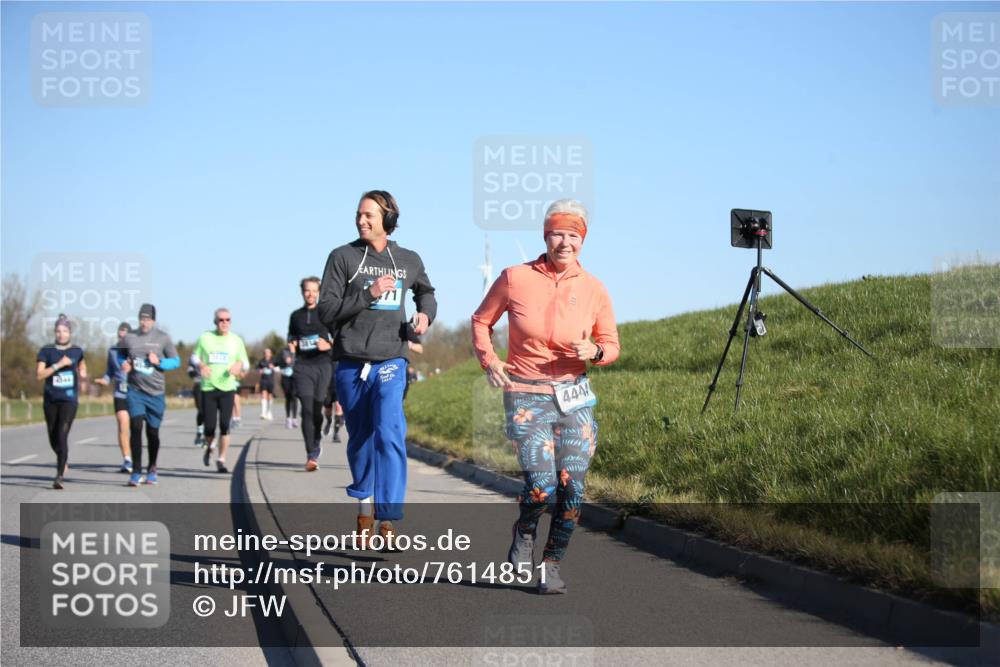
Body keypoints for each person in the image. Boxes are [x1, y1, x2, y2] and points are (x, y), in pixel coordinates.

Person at [471, 199, 619, 594]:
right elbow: (481, 321)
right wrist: (491, 361)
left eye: (573, 235)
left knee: (573, 488)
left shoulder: (595, 289)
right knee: (541, 486)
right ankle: (525, 529)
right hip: (526, 394)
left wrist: (597, 353)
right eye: (558, 234)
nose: (565, 242)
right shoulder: (514, 277)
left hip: (575, 397)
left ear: (582, 241)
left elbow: (611, 343)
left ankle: (550, 566)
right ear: (546, 235)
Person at [318, 190, 436, 547]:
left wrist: (425, 315)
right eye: (358, 214)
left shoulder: (408, 259)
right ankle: (365, 509)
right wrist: (367, 294)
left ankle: (387, 516)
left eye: (369, 214)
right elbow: (326, 311)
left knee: (389, 431)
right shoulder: (342, 257)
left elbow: (426, 292)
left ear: (388, 217)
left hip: (391, 357)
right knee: (361, 440)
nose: (361, 220)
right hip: (351, 360)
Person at [121, 303, 180, 486]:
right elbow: (122, 357)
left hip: (156, 393)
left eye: (147, 319)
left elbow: (176, 362)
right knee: (136, 426)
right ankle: (136, 472)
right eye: (141, 318)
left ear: (153, 320)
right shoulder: (130, 338)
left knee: (152, 433)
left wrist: (159, 361)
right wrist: (125, 364)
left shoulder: (163, 338)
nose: (144, 322)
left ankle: (152, 467)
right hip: (135, 390)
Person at [192, 308, 249, 473]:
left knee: (225, 425)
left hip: (228, 387)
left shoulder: (236, 340)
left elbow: (245, 363)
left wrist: (239, 365)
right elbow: (194, 356)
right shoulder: (205, 338)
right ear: (215, 322)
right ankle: (209, 447)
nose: (224, 323)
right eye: (221, 320)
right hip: (209, 387)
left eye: (227, 320)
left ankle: (221, 459)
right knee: (209, 427)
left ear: (231, 322)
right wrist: (201, 365)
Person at [288, 277, 335, 470]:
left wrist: (328, 345)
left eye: (314, 290)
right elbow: (291, 337)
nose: (310, 294)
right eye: (307, 290)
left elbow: (340, 339)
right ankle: (311, 454)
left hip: (323, 366)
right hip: (303, 367)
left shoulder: (326, 314)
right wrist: (291, 345)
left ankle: (317, 438)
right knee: (306, 410)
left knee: (317, 410)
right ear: (302, 292)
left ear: (319, 292)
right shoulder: (295, 316)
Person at [36, 315, 87, 489]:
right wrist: (58, 365)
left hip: (69, 400)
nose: (61, 334)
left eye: (65, 331)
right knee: (52, 436)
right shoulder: (46, 350)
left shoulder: (77, 350)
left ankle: (59, 476)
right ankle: (62, 459)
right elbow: (39, 375)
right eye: (58, 331)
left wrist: (83, 374)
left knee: (62, 433)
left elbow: (82, 365)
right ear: (54, 332)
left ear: (70, 332)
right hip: (51, 399)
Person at [94, 322, 133, 473]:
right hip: (120, 393)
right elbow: (110, 371)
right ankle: (127, 459)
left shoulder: (136, 351)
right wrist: (105, 379)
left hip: (136, 393)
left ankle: (138, 457)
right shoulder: (113, 351)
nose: (121, 338)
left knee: (135, 428)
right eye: (120, 335)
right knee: (123, 423)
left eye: (125, 336)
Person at [321, 362, 344, 443]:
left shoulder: (341, 355)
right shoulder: (326, 355)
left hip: (339, 385)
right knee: (328, 409)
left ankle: (336, 433)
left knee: (338, 407)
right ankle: (328, 422)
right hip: (327, 386)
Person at [187, 352, 206, 445]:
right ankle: (199, 431)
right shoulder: (194, 356)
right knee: (201, 410)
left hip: (212, 386)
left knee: (209, 411)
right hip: (199, 385)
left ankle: (208, 435)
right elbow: (189, 372)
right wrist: (196, 372)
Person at [278, 345, 298, 428]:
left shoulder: (299, 350)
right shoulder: (285, 351)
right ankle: (288, 418)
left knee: (294, 396)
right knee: (288, 397)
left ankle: (294, 418)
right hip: (286, 377)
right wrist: (293, 353)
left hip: (295, 376)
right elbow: (288, 361)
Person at [257, 348, 277, 421]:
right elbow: (258, 369)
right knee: (263, 394)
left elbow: (277, 369)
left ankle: (269, 412)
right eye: (265, 352)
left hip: (271, 381)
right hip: (263, 380)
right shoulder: (261, 361)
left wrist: (273, 367)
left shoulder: (273, 361)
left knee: (270, 396)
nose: (266, 353)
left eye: (268, 352)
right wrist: (260, 371)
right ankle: (263, 413)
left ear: (270, 354)